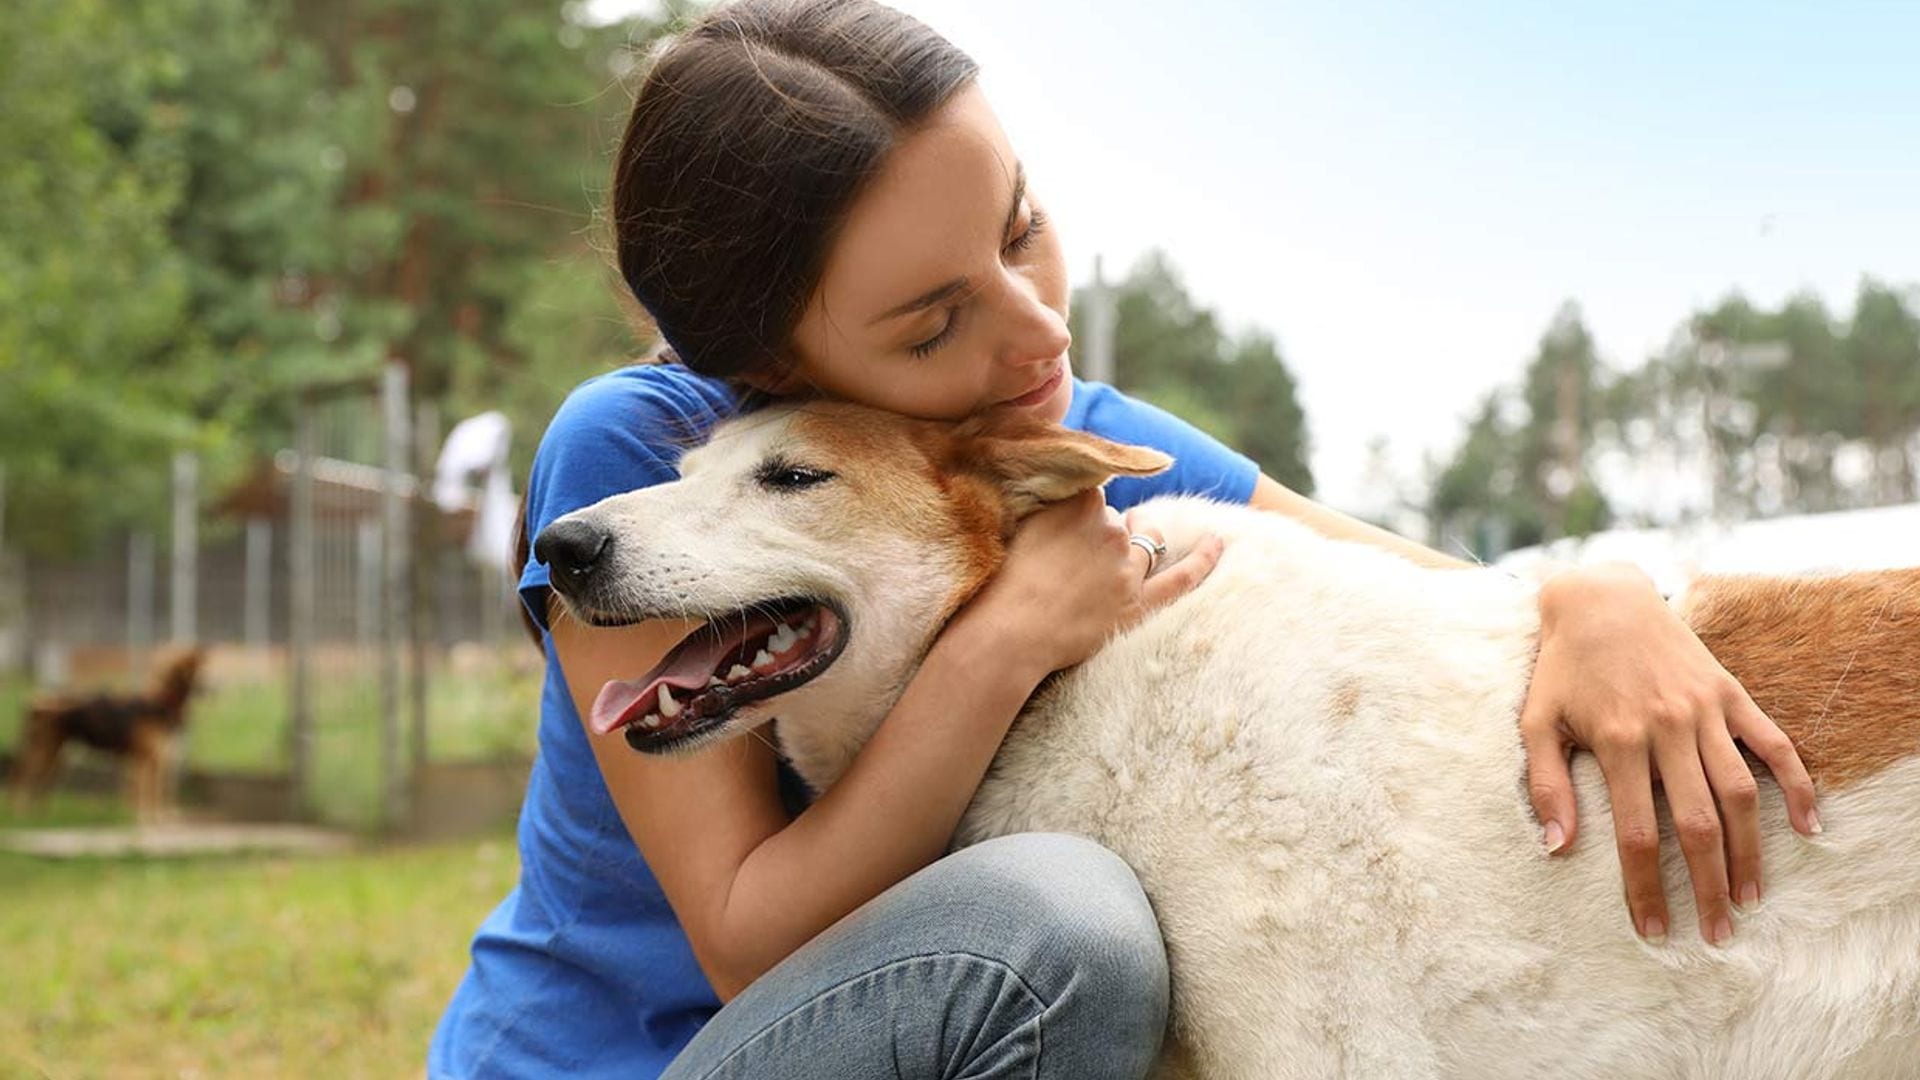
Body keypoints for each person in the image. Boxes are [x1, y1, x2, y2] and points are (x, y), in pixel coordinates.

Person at [430, 2, 1821, 1076]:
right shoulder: (637, 465)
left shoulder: (1047, 425)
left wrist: (1603, 589)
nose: (1034, 329)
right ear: (763, 366)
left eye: (1022, 229)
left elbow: (1439, 598)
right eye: (932, 324)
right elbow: (745, 940)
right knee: (1065, 930)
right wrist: (1013, 637)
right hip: (659, 1057)